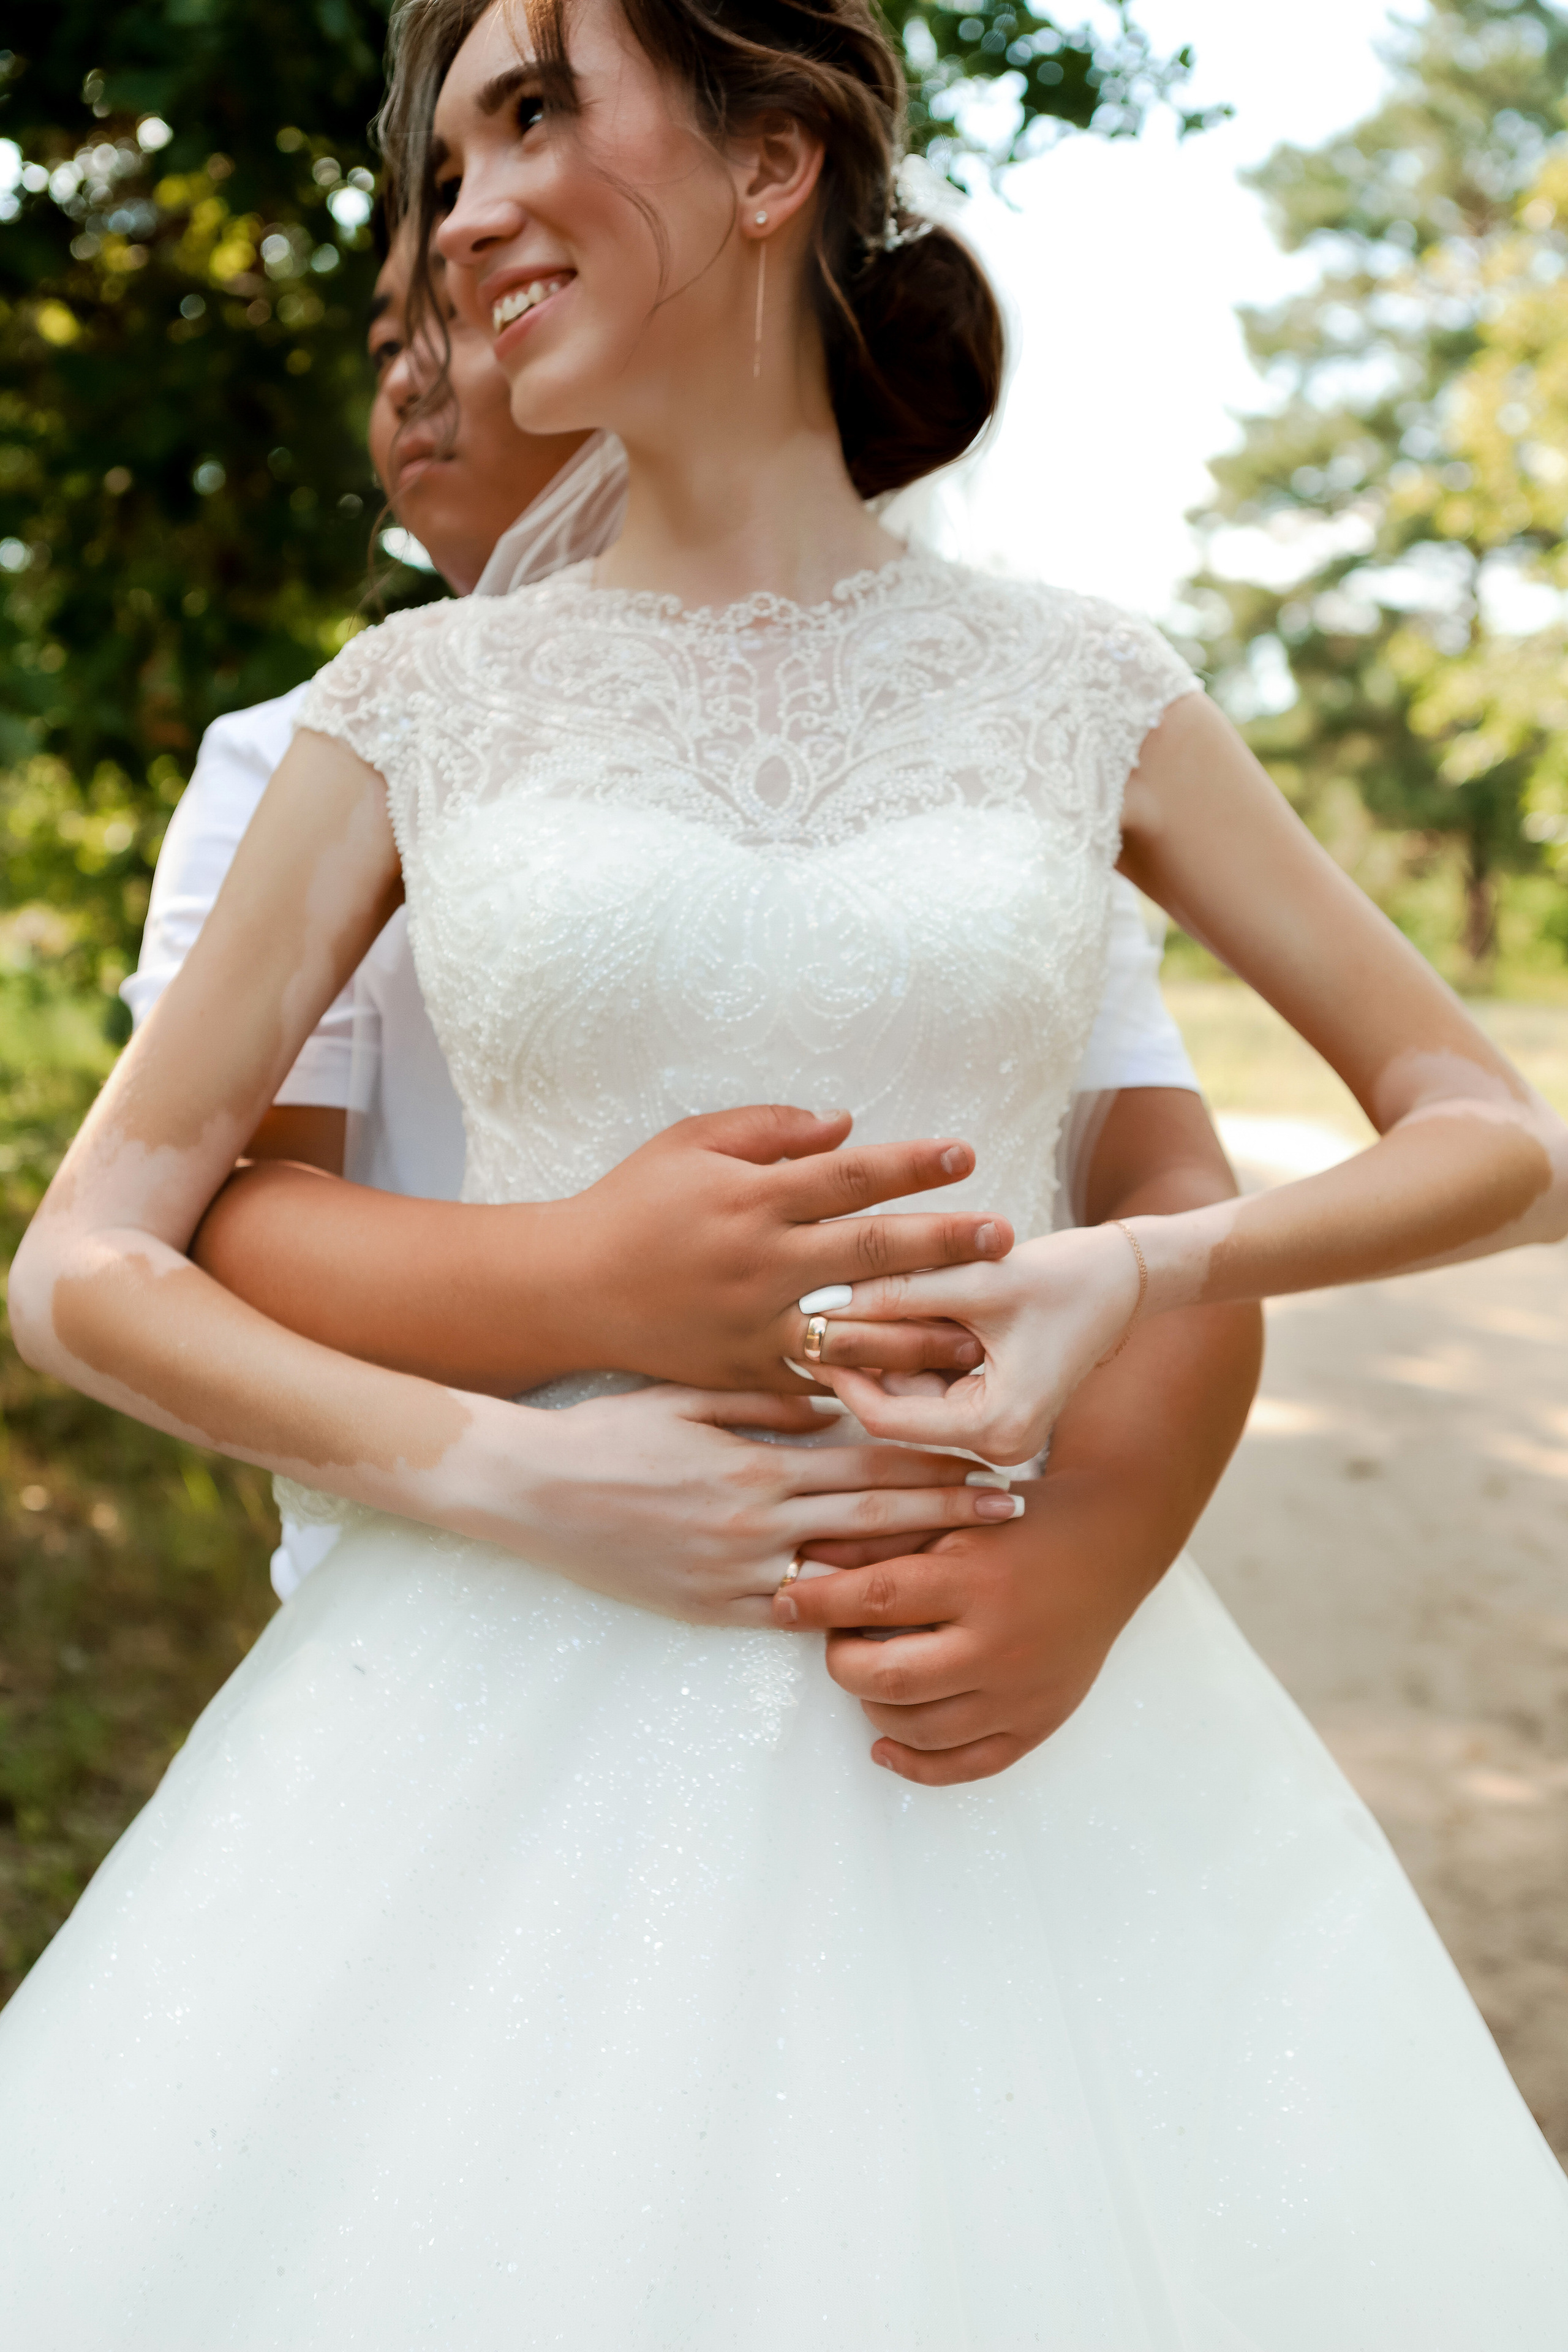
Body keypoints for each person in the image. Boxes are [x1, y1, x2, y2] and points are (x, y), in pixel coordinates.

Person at [4, 0, 1567, 2342]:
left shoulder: (1082, 688)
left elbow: (1497, 1140)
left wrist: (1125, 1277)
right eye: (448, 165)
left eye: (538, 113)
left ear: (775, 162)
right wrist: (519, 1482)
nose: (473, 210)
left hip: (1006, 1725)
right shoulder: (403, 712)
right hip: (494, 1711)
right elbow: (90, 1267)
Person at [129, 206, 1261, 1781]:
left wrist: (1092, 1548)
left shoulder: (977, 742)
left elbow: (1160, 1188)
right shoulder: (315, 752)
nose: (412, 374)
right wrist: (585, 1282)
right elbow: (204, 1221)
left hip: (933, 1610)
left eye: (458, 316)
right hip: (472, 1605)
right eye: (386, 339)